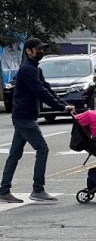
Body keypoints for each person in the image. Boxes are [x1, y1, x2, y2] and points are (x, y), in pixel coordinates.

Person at [0, 38, 76, 204]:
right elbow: (40, 91)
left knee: (15, 154)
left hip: (24, 117)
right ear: (28, 51)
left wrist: (64, 105)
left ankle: (4, 191)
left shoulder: (35, 69)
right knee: (42, 149)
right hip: (24, 118)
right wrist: (61, 108)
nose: (41, 52)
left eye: (42, 49)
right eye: (38, 49)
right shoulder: (27, 70)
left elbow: (48, 89)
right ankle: (38, 189)